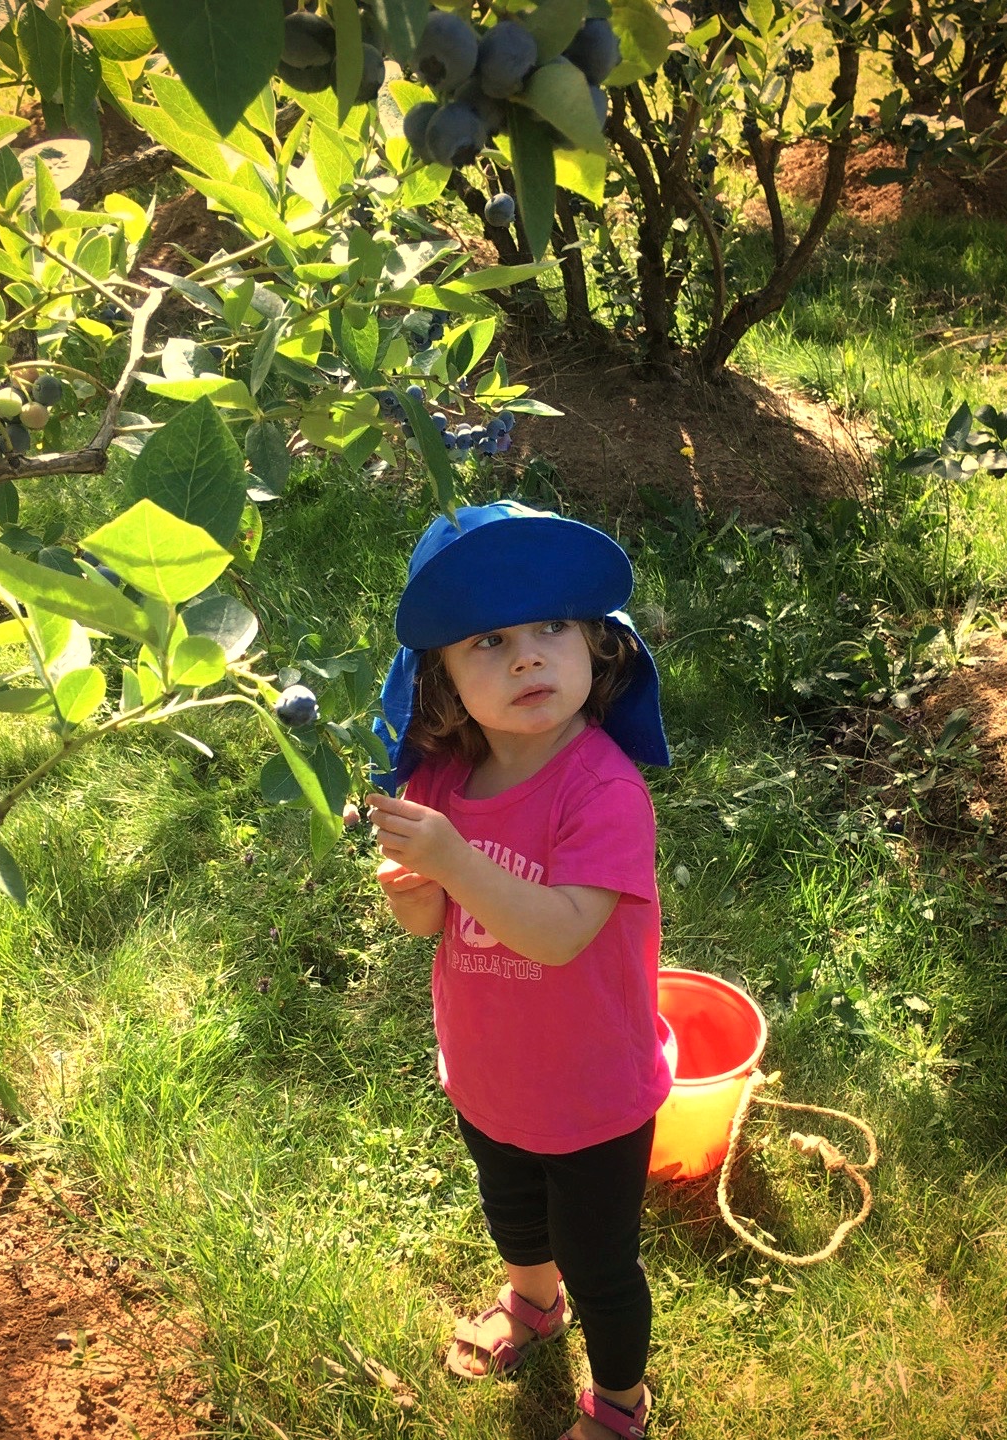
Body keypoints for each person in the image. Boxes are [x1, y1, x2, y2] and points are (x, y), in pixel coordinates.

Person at [366, 500, 673, 1440]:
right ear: (443, 681)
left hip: (590, 1091)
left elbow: (559, 934)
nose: (527, 658)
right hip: (488, 1071)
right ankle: (532, 1303)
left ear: (597, 646)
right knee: (514, 1217)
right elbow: (427, 920)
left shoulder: (602, 789)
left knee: (601, 1261)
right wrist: (412, 883)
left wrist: (454, 860)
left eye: (551, 629)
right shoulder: (441, 784)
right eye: (489, 640)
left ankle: (619, 1405)